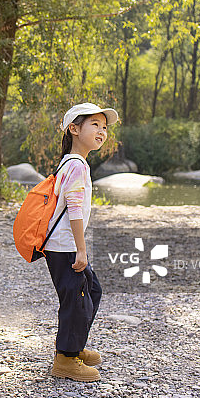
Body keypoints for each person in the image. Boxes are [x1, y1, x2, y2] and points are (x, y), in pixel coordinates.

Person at [44, 102, 118, 382]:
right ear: (74, 129)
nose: (101, 131)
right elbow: (74, 209)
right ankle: (65, 359)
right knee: (77, 300)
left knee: (90, 292)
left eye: (104, 127)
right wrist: (81, 249)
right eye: (94, 125)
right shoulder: (76, 165)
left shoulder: (74, 163)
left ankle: (72, 349)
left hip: (63, 246)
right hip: (64, 246)